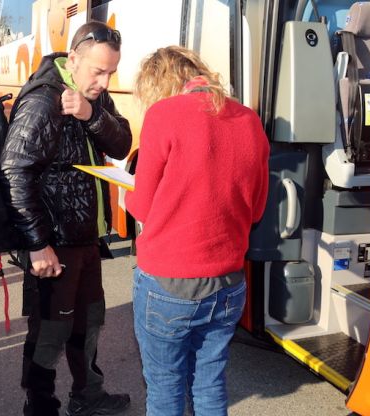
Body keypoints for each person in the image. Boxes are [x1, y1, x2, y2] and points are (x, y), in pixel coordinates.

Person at [126, 46, 270, 416]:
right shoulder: (249, 120)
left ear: (160, 84)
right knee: (209, 383)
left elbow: (141, 207)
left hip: (168, 283)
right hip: (228, 283)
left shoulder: (164, 115)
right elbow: (256, 210)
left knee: (165, 390)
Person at [0, 21, 132, 416]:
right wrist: (38, 245)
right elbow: (14, 171)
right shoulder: (44, 100)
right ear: (72, 58)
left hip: (87, 237)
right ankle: (40, 407)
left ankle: (87, 395)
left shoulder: (93, 96)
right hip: (54, 242)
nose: (105, 82)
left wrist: (92, 113)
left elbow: (122, 142)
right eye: (98, 71)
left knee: (89, 322)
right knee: (49, 332)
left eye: (111, 72)